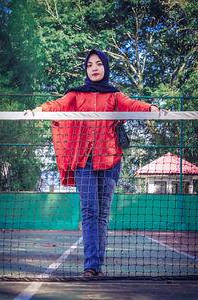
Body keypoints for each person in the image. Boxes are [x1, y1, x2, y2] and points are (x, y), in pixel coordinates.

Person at [25, 49, 160, 277]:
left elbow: (132, 104)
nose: (94, 68)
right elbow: (58, 104)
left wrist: (151, 108)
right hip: (83, 161)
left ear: (106, 67)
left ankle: (96, 264)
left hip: (110, 161)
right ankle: (92, 266)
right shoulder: (76, 95)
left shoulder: (115, 96)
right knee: (89, 211)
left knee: (102, 214)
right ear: (86, 69)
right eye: (89, 65)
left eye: (98, 64)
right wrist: (40, 109)